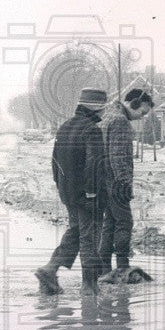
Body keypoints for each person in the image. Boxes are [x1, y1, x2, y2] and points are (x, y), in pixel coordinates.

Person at [35, 88, 109, 294]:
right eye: (103, 109)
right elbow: (94, 164)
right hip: (88, 196)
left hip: (69, 194)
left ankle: (50, 269)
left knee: (76, 231)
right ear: (96, 109)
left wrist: (62, 189)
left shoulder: (65, 127)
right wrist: (93, 192)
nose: (104, 113)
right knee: (90, 237)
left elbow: (54, 163)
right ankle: (90, 287)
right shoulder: (92, 130)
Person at [99, 88, 154, 274]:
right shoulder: (120, 121)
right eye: (142, 112)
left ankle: (104, 268)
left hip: (102, 180)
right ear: (135, 104)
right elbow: (118, 156)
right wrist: (123, 183)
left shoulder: (108, 115)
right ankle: (123, 267)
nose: (142, 117)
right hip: (115, 182)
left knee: (110, 223)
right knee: (124, 222)